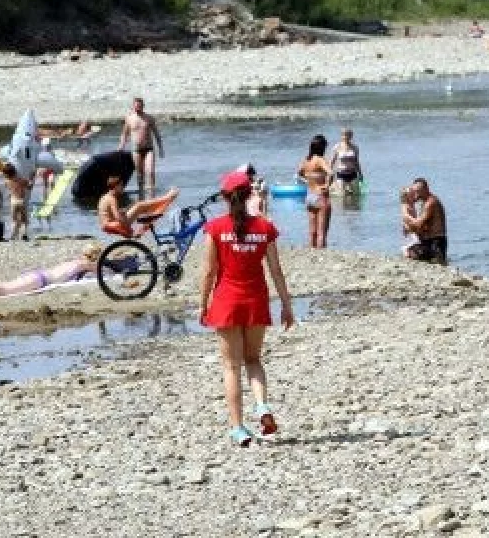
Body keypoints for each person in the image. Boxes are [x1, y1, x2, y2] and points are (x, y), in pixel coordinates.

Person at [198, 169, 295, 447]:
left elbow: (209, 271)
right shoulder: (265, 228)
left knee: (231, 366)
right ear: (251, 194)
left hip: (227, 301)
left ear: (226, 199)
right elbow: (276, 270)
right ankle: (262, 405)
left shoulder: (216, 228)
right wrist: (287, 306)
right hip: (256, 300)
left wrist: (203, 304)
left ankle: (238, 428)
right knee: (253, 360)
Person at [0, 247, 102, 299]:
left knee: (3, 287)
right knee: (3, 290)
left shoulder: (75, 262)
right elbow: (100, 270)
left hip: (38, 275)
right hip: (40, 280)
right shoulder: (84, 264)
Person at [97, 176, 180, 238]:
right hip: (114, 225)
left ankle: (166, 200)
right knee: (139, 206)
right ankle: (168, 197)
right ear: (116, 186)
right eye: (121, 185)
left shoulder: (104, 197)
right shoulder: (112, 199)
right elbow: (117, 217)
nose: (123, 188)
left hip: (108, 225)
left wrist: (124, 211)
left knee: (140, 207)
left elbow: (107, 215)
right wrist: (128, 230)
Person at [118, 98, 165, 191]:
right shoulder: (129, 118)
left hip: (149, 149)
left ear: (143, 106)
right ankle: (141, 193)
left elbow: (156, 134)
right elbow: (124, 134)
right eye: (135, 106)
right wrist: (121, 147)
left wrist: (160, 148)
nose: (137, 108)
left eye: (139, 106)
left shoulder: (149, 118)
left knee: (150, 172)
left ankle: (152, 193)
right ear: (133, 106)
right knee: (140, 174)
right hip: (136, 150)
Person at [298, 134, 332, 249]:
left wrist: (308, 181)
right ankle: (321, 256)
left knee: (312, 232)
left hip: (309, 196)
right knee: (322, 232)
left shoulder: (306, 160)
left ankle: (312, 254)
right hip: (320, 196)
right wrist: (327, 185)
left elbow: (299, 175)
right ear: (322, 147)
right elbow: (331, 173)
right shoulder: (320, 160)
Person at [402, 178, 448, 264]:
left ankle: (436, 258)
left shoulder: (431, 202)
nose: (415, 194)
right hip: (427, 240)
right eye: (414, 191)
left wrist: (406, 215)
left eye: (418, 191)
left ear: (426, 190)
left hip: (436, 241)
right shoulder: (423, 203)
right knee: (407, 250)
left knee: (409, 252)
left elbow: (418, 224)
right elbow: (420, 227)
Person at [330, 128, 365, 195]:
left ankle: (352, 205)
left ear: (351, 136)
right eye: (344, 135)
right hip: (341, 174)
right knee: (342, 195)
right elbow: (332, 162)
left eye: (349, 135)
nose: (346, 137)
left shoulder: (355, 147)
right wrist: (330, 174)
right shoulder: (337, 147)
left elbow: (356, 161)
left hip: (353, 174)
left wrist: (360, 174)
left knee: (355, 195)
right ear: (341, 136)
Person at [2, 163, 31, 241]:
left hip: (13, 202)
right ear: (15, 171)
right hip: (21, 201)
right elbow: (29, 186)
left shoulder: (7, 182)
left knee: (14, 220)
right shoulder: (21, 180)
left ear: (6, 174)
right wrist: (30, 181)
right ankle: (24, 234)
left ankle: (12, 236)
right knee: (24, 220)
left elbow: (9, 190)